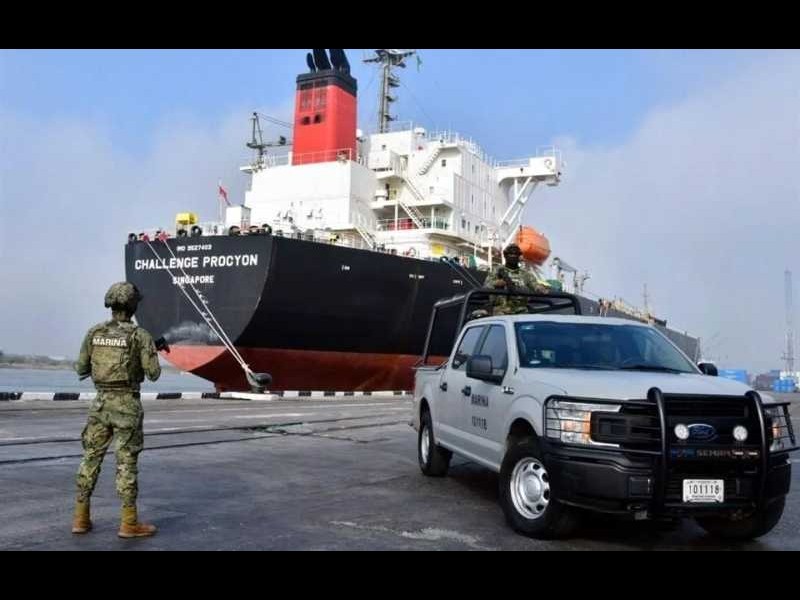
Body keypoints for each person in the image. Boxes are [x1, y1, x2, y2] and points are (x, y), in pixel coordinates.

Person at [71, 282, 163, 538]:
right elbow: (153, 374)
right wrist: (151, 352)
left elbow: (81, 368)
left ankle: (80, 519)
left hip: (100, 405)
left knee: (90, 458)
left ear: (110, 304)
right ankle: (129, 523)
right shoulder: (140, 335)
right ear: (133, 306)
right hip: (127, 406)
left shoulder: (94, 332)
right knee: (126, 463)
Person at [489, 243, 550, 315]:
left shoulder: (525, 273)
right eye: (510, 254)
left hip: (521, 310)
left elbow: (534, 284)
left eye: (516, 254)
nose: (513, 256)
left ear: (519, 256)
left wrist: (541, 288)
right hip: (501, 311)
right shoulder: (497, 270)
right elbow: (486, 286)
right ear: (505, 255)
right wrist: (497, 283)